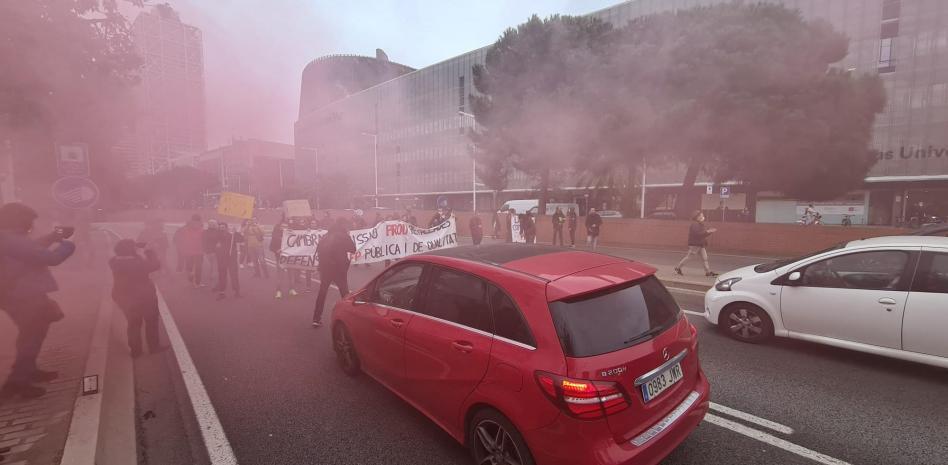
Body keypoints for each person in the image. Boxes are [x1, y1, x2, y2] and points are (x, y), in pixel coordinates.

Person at [0, 203, 75, 399]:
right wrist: (68, 245)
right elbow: (50, 258)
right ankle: (17, 382)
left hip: (14, 295)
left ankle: (28, 370)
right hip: (24, 295)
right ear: (20, 220)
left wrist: (52, 237)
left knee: (31, 335)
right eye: (30, 220)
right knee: (31, 337)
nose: (31, 224)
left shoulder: (8, 238)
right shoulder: (14, 240)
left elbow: (30, 249)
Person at [108, 239, 163, 357]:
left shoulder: (113, 261)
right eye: (134, 247)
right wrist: (149, 251)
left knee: (133, 323)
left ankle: (136, 351)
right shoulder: (138, 263)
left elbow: (129, 257)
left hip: (122, 296)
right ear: (131, 250)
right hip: (144, 296)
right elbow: (155, 265)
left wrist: (137, 249)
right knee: (151, 321)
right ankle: (154, 347)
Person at [312, 218, 356, 328]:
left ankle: (316, 318)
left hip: (325, 269)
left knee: (322, 293)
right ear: (343, 226)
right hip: (339, 269)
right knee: (345, 294)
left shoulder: (325, 236)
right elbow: (353, 249)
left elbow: (318, 250)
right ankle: (349, 319)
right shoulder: (343, 236)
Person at [675, 210, 719, 277]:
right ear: (697, 217)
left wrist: (709, 232)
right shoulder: (695, 224)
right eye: (701, 215)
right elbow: (698, 234)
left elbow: (702, 234)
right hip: (695, 244)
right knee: (689, 257)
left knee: (705, 258)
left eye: (702, 215)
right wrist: (708, 232)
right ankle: (678, 268)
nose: (702, 217)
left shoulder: (700, 224)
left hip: (700, 244)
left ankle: (708, 272)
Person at [213, 222, 243, 300]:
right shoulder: (216, 236)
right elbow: (212, 245)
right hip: (221, 259)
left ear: (226, 228)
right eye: (220, 227)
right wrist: (216, 246)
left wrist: (236, 232)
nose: (222, 228)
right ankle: (221, 292)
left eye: (223, 227)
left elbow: (241, 239)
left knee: (234, 275)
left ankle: (237, 291)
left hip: (231, 258)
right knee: (222, 276)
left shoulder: (232, 235)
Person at [270, 218, 298, 299]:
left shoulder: (292, 235)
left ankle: (292, 289)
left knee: (291, 274)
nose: (284, 227)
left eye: (286, 226)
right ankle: (278, 291)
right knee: (280, 275)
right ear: (280, 227)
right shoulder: (275, 236)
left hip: (290, 258)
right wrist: (276, 250)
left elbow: (298, 245)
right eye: (283, 226)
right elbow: (271, 247)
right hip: (280, 258)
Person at [178, 215, 204, 288]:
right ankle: (195, 281)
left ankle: (194, 280)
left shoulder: (186, 228)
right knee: (197, 267)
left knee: (194, 267)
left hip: (192, 251)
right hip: (196, 251)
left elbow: (181, 239)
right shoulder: (200, 229)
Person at [201, 219, 219, 283]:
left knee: (213, 264)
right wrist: (203, 249)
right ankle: (212, 274)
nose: (212, 225)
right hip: (208, 251)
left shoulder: (218, 231)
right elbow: (203, 241)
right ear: (208, 224)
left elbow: (222, 240)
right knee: (211, 264)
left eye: (213, 224)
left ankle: (212, 274)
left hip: (215, 251)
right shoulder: (205, 232)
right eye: (210, 223)